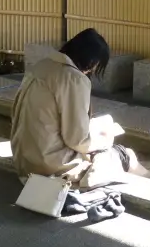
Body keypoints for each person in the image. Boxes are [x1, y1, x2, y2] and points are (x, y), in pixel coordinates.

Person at [11, 28, 129, 189]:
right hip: (49, 166)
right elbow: (77, 140)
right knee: (123, 154)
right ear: (92, 61)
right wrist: (105, 139)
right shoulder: (73, 78)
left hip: (23, 161)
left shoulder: (41, 66)